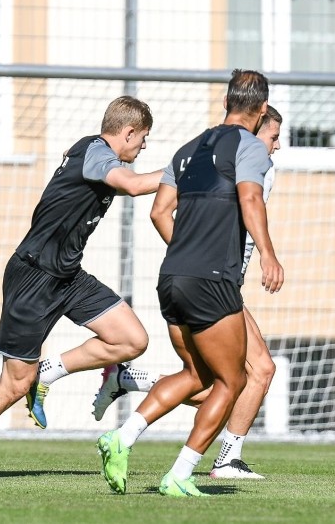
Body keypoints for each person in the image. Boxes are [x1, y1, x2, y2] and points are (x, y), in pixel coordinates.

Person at [0, 96, 162, 480]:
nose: (144, 146)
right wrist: (187, 171)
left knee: (131, 339)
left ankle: (49, 371)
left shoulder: (96, 159)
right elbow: (135, 186)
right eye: (144, 138)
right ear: (129, 132)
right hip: (33, 277)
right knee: (14, 383)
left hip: (68, 276)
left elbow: (128, 185)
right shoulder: (96, 152)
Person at [97, 69, 284, 497]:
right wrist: (268, 254)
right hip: (211, 279)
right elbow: (251, 197)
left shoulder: (186, 150)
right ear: (259, 110)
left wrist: (186, 250)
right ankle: (181, 472)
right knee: (231, 381)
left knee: (197, 374)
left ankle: (121, 438)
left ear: (225, 104)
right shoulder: (250, 146)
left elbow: (159, 212)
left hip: (172, 276)